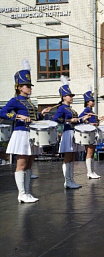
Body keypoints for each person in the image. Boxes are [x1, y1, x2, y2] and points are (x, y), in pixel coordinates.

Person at [0, 59, 51, 203]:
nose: (30, 88)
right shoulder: (14, 100)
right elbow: (2, 113)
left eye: (30, 85)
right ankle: (21, 194)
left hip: (31, 134)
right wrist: (17, 116)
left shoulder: (29, 102)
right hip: (21, 133)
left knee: (29, 164)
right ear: (19, 87)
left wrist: (42, 114)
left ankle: (27, 192)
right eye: (27, 86)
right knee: (21, 164)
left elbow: (34, 118)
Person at [53, 76, 90, 189]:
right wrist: (68, 121)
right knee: (68, 157)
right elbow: (55, 119)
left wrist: (82, 119)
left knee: (72, 157)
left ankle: (71, 179)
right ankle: (67, 181)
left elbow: (76, 122)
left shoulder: (72, 109)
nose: (71, 97)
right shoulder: (61, 108)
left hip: (73, 133)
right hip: (67, 133)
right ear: (64, 97)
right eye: (70, 96)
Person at [79, 85, 104, 179]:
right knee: (89, 152)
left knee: (92, 151)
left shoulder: (91, 111)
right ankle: (89, 172)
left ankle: (92, 171)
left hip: (93, 132)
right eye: (92, 101)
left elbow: (94, 122)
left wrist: (99, 120)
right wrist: (89, 123)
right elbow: (80, 119)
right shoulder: (86, 111)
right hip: (89, 133)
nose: (93, 102)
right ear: (87, 102)